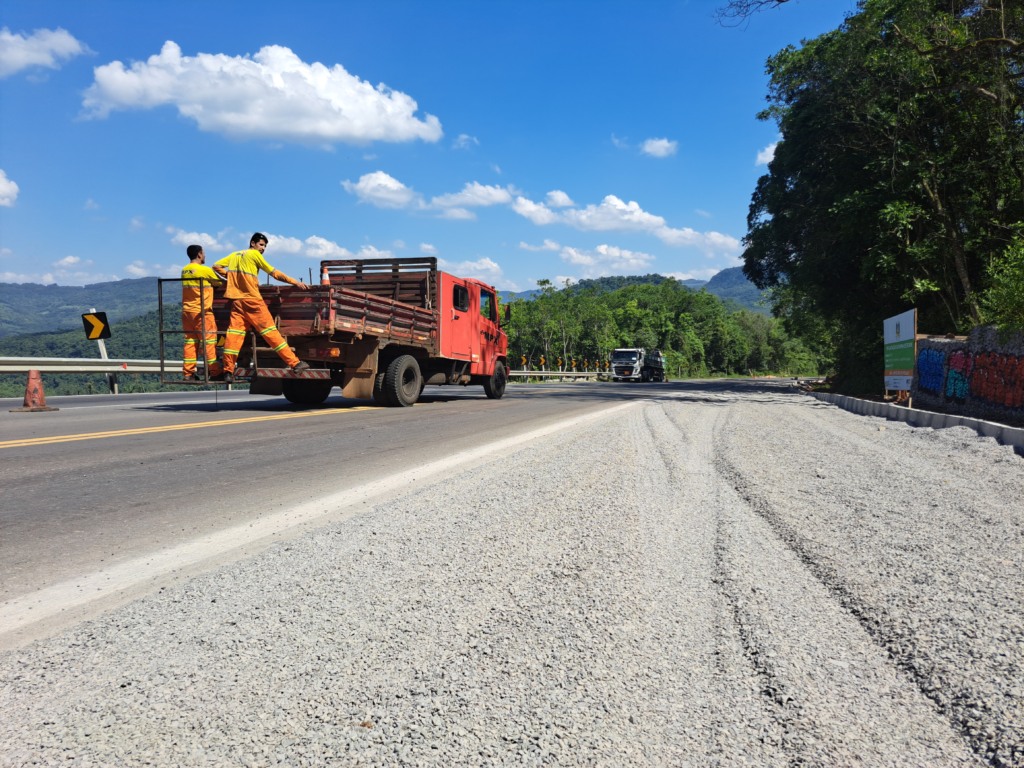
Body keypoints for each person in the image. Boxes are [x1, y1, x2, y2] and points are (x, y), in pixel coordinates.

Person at [212, 232, 311, 383]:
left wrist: (231, 277)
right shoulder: (254, 254)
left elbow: (216, 266)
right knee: (271, 333)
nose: (263, 248)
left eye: (264, 246)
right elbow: (274, 273)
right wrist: (295, 282)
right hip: (253, 302)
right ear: (252, 243)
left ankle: (228, 372)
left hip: (237, 302)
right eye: (261, 245)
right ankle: (295, 363)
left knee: (234, 337)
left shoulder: (234, 255)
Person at [181, 244, 224, 382]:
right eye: (204, 253)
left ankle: (188, 373)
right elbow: (219, 283)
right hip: (202, 312)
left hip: (187, 312)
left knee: (190, 342)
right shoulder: (204, 270)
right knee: (209, 342)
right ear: (199, 254)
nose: (205, 255)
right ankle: (215, 371)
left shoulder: (185, 270)